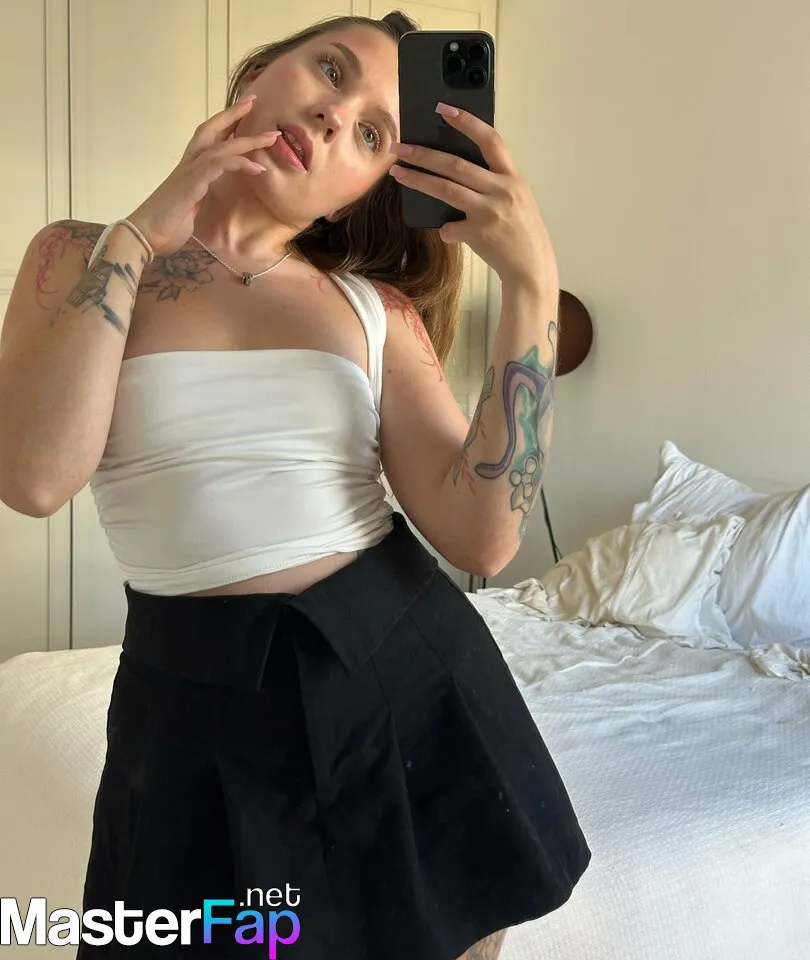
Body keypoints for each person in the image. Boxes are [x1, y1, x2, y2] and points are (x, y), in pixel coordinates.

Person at [0, 9, 590, 959]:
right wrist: (142, 232)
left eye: (372, 135)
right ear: (259, 74)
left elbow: (484, 536)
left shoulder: (374, 311)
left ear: (363, 191)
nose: (332, 116)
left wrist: (530, 280)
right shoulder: (75, 254)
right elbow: (33, 476)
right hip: (188, 700)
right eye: (330, 70)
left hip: (405, 682)